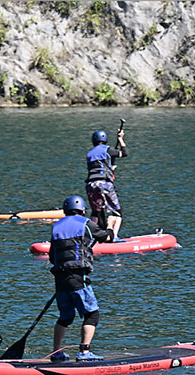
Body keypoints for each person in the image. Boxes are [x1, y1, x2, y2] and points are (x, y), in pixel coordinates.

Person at [48, 195, 114, 362]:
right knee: (92, 314)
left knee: (65, 317)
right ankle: (84, 353)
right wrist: (111, 228)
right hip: (78, 276)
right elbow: (106, 237)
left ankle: (56, 352)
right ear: (83, 210)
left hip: (60, 279)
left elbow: (52, 256)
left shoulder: (56, 226)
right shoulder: (85, 223)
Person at [84, 128, 128, 239]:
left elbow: (99, 167)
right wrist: (120, 139)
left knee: (96, 212)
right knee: (117, 212)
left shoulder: (90, 153)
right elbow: (125, 153)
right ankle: (115, 236)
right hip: (104, 184)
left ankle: (91, 237)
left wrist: (111, 168)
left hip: (90, 185)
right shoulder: (107, 150)